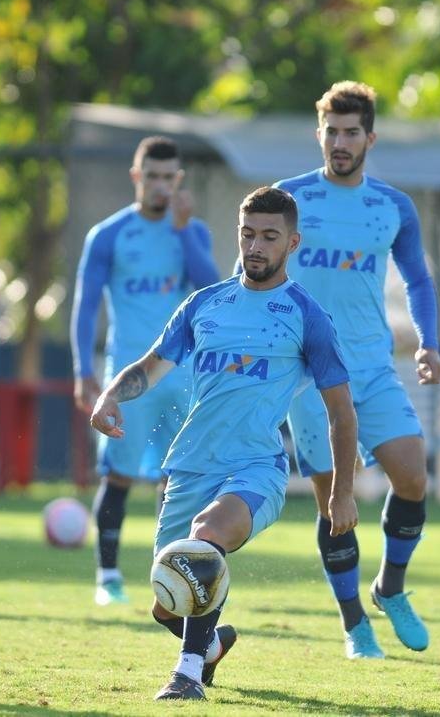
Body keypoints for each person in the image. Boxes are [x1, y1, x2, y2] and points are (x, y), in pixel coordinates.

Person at [91, 187, 358, 700]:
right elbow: (150, 366)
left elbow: (341, 412)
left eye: (269, 237)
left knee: (204, 539)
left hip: (255, 468)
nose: (255, 246)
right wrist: (109, 395)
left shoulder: (306, 315)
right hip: (189, 467)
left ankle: (187, 674)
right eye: (248, 234)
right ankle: (210, 647)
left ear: (293, 242)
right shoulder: (205, 304)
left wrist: (340, 493)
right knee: (168, 602)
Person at [273, 81, 440, 659]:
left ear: (370, 137)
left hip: (372, 365)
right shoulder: (288, 198)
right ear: (318, 134)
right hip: (306, 376)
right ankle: (354, 626)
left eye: (351, 133)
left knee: (413, 476)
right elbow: (256, 274)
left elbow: (418, 279)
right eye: (331, 132)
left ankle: (390, 587)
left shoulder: (393, 206)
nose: (340, 142)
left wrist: (428, 343)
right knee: (334, 504)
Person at [71, 135, 220, 606]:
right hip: (128, 378)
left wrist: (180, 230)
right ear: (136, 177)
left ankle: (166, 575)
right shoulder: (109, 234)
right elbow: (85, 305)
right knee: (118, 475)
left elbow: (212, 291)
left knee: (175, 480)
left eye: (169, 177)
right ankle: (108, 577)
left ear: (179, 181)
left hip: (183, 376)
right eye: (151, 176)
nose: (160, 185)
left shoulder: (192, 232)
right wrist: (82, 369)